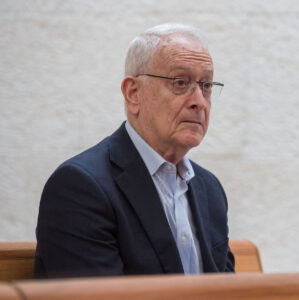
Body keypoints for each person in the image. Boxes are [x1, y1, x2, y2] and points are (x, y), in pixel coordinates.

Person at [34, 23, 234, 278]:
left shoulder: (210, 188)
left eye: (206, 85)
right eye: (181, 82)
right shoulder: (80, 187)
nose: (199, 101)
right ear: (133, 93)